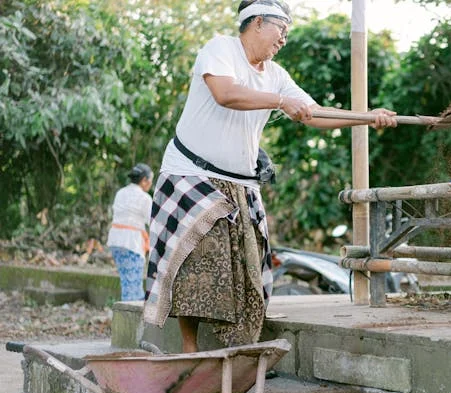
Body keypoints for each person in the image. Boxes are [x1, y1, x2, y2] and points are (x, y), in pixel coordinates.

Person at [143, 0, 397, 353]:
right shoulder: (221, 49)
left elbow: (313, 114)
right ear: (257, 22)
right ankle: (190, 349)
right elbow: (225, 94)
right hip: (192, 177)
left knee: (246, 270)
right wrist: (279, 102)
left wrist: (367, 117)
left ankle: (229, 352)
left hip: (241, 183)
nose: (284, 40)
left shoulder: (276, 75)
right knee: (201, 261)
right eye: (281, 30)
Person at [107, 164, 154, 301]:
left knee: (127, 283)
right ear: (144, 180)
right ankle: (129, 319)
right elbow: (152, 221)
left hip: (116, 241)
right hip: (131, 243)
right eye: (150, 180)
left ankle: (128, 316)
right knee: (133, 288)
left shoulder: (120, 192)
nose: (150, 184)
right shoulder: (144, 198)